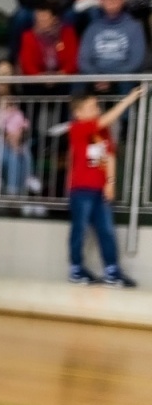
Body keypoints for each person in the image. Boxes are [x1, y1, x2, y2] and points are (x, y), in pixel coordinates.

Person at [64, 89, 143, 287]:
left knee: (106, 229)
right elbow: (103, 121)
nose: (96, 109)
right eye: (91, 107)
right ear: (78, 112)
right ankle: (76, 268)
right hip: (81, 188)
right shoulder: (78, 128)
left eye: (97, 106)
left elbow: (109, 156)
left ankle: (112, 270)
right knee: (79, 229)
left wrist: (110, 181)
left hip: (100, 189)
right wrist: (128, 101)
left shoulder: (102, 131)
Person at [0, 61, 36, 197]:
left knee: (22, 151)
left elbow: (23, 123)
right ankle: (12, 192)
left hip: (13, 141)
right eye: (1, 73)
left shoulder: (17, 100)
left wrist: (19, 135)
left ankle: (24, 185)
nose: (4, 77)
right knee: (9, 154)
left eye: (8, 74)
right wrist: (5, 134)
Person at [80, 0, 147, 80]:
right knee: (79, 84)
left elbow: (136, 61)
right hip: (96, 77)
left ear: (122, 1)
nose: (111, 1)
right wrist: (96, 77)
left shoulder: (135, 26)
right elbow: (84, 60)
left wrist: (113, 77)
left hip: (124, 77)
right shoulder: (93, 28)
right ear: (101, 2)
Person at [18, 5, 80, 77]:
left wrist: (61, 75)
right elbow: (27, 63)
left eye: (44, 16)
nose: (40, 19)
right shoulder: (28, 36)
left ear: (54, 18)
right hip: (37, 80)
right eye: (38, 17)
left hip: (64, 78)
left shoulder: (67, 33)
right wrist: (41, 78)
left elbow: (73, 60)